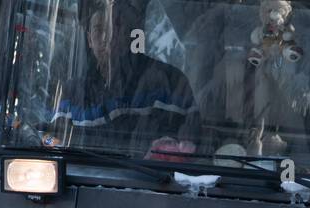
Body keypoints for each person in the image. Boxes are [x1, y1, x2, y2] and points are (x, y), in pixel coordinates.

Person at [43, 0, 202, 159]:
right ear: (90, 40)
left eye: (117, 26)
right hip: (81, 180)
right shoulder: (71, 94)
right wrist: (50, 143)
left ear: (131, 34)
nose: (108, 37)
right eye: (99, 29)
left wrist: (169, 148)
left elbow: (194, 142)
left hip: (153, 180)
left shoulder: (170, 82)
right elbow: (48, 140)